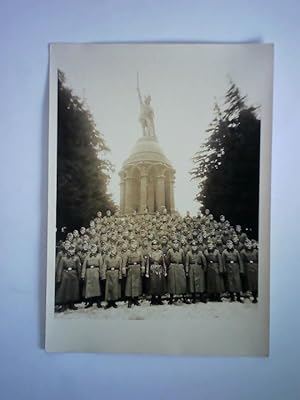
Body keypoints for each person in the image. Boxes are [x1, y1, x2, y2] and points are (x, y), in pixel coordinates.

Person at [55, 245, 81, 312]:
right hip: (65, 275)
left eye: (73, 250)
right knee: (64, 290)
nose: (72, 251)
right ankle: (64, 305)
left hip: (74, 275)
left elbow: (79, 268)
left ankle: (72, 304)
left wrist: (79, 276)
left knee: (73, 290)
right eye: (70, 250)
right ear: (68, 250)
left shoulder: (77, 258)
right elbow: (60, 269)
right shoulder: (63, 258)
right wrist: (58, 278)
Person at [123, 241, 145, 308]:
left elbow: (142, 261)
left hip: (137, 269)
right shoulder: (127, 252)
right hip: (130, 269)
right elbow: (124, 261)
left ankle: (136, 299)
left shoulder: (139, 252)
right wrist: (124, 270)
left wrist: (142, 269)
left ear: (136, 245)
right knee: (129, 285)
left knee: (137, 284)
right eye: (132, 244)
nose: (133, 246)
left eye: (135, 244)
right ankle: (130, 300)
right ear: (130, 245)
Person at [166, 240, 188, 304]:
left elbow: (184, 259)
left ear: (179, 244)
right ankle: (171, 298)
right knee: (172, 283)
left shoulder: (181, 251)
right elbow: (167, 260)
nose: (175, 245)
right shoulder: (170, 251)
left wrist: (182, 266)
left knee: (182, 282)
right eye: (174, 243)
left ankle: (184, 297)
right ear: (172, 244)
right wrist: (170, 266)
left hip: (180, 267)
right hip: (172, 267)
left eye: (177, 243)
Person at [81, 243, 103, 308]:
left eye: (95, 249)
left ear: (96, 249)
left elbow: (101, 266)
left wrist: (101, 275)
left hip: (96, 272)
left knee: (97, 287)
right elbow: (84, 266)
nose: (93, 250)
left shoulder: (99, 256)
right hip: (89, 273)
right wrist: (83, 275)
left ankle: (98, 302)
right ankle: (90, 302)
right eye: (92, 248)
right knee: (89, 288)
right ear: (90, 249)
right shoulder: (87, 256)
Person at [146, 240, 167, 305]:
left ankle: (159, 299)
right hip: (152, 270)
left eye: (156, 245)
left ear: (158, 245)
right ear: (152, 246)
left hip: (160, 270)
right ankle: (153, 299)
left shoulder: (161, 253)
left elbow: (163, 263)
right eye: (153, 245)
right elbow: (147, 263)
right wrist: (147, 272)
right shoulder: (149, 253)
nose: (155, 246)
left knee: (159, 285)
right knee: (153, 285)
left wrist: (165, 271)